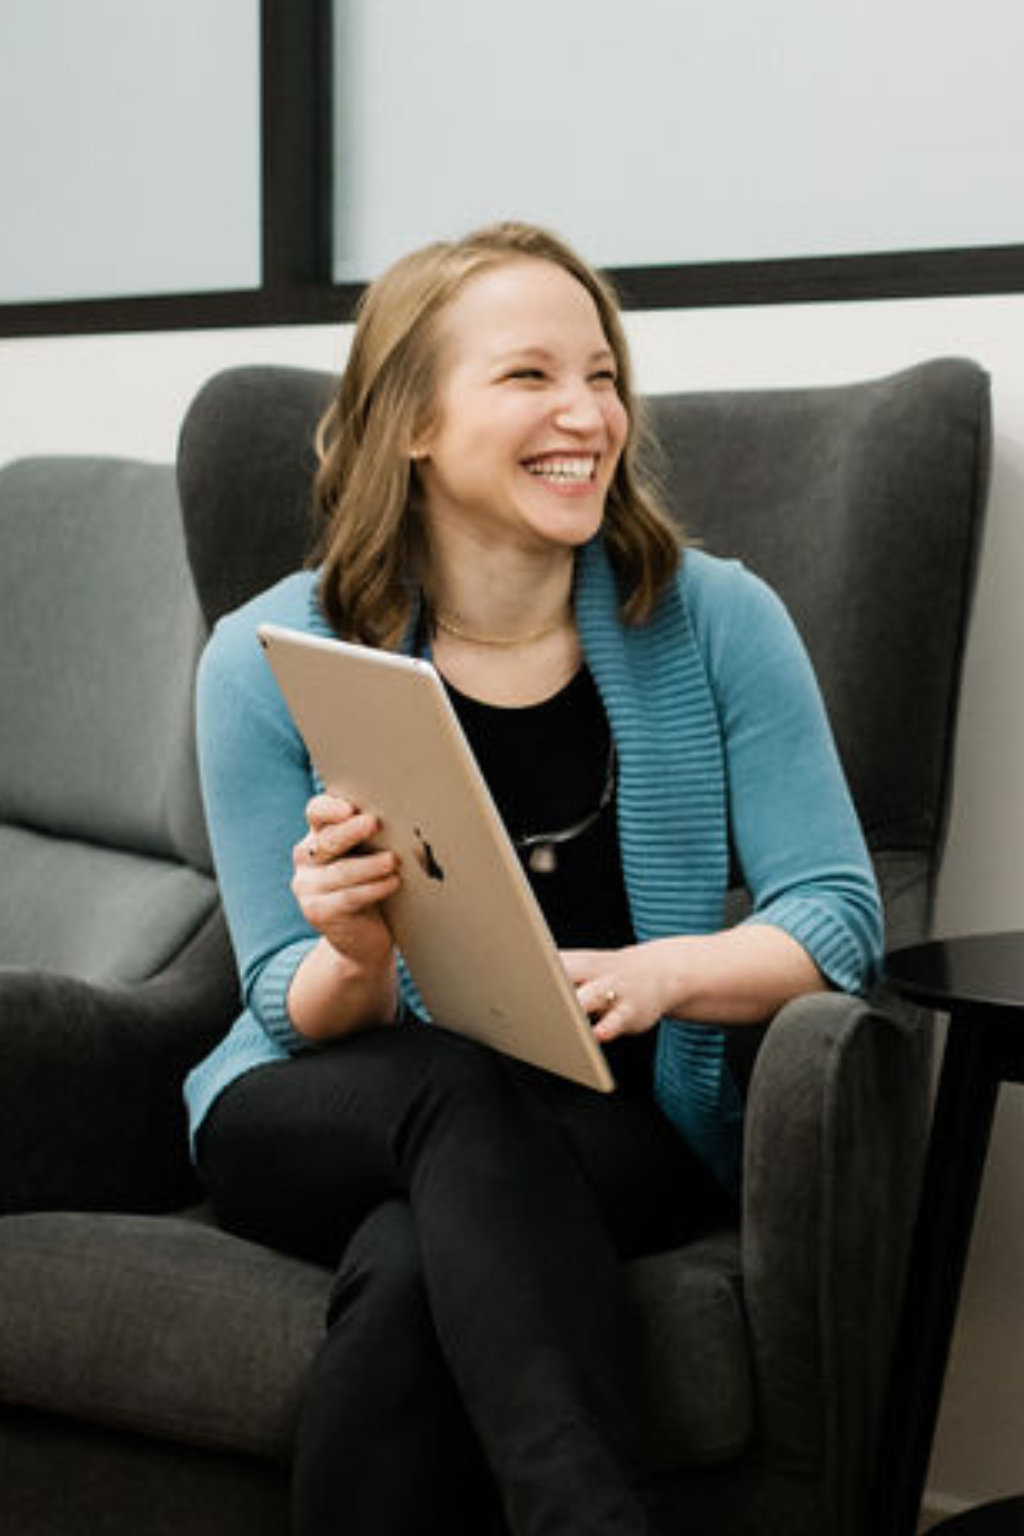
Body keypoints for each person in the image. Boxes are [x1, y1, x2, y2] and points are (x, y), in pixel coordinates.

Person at [184, 220, 883, 1536]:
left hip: (613, 1118)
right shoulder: (270, 655)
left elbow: (837, 917)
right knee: (454, 1088)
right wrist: (357, 952)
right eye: (529, 378)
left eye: (603, 374)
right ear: (412, 424)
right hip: (323, 1107)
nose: (588, 414)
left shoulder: (720, 620)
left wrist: (661, 974)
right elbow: (286, 998)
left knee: (408, 1273)